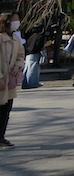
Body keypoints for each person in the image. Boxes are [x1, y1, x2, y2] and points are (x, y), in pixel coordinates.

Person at [0, 12, 24, 148]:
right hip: (2, 76)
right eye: (15, 19)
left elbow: (21, 55)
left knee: (6, 109)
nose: (18, 22)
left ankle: (1, 137)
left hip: (11, 78)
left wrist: (18, 65)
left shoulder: (15, 38)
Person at [21, 24, 45, 89]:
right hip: (34, 54)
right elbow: (38, 46)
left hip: (28, 54)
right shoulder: (40, 36)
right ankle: (32, 84)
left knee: (27, 70)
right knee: (33, 70)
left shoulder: (31, 37)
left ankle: (25, 84)